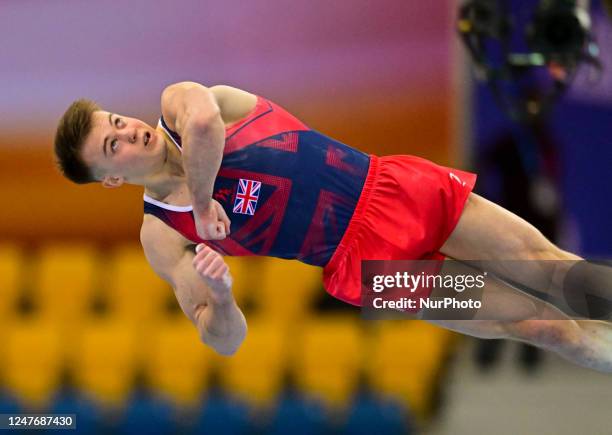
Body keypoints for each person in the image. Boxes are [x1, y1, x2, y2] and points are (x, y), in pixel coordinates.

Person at [54, 82, 612, 372]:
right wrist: (221, 299)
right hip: (377, 272)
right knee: (544, 328)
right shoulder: (162, 235)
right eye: (113, 145)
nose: (129, 133)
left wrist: (203, 202)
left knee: (557, 272)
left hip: (397, 192)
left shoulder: (181, 105)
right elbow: (224, 342)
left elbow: (203, 124)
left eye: (117, 122)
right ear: (109, 179)